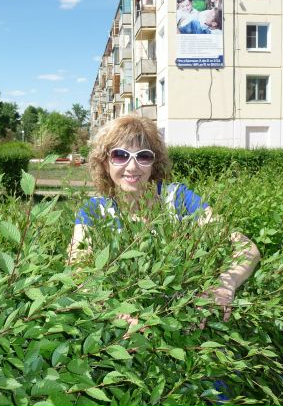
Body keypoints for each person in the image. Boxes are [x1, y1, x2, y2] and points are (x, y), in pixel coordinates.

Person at [68, 115, 261, 325]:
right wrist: (111, 308)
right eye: (120, 155)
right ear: (105, 163)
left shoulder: (178, 199)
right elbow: (78, 266)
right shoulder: (93, 211)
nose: (132, 166)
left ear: (154, 163)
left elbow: (245, 246)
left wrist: (225, 284)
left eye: (143, 156)